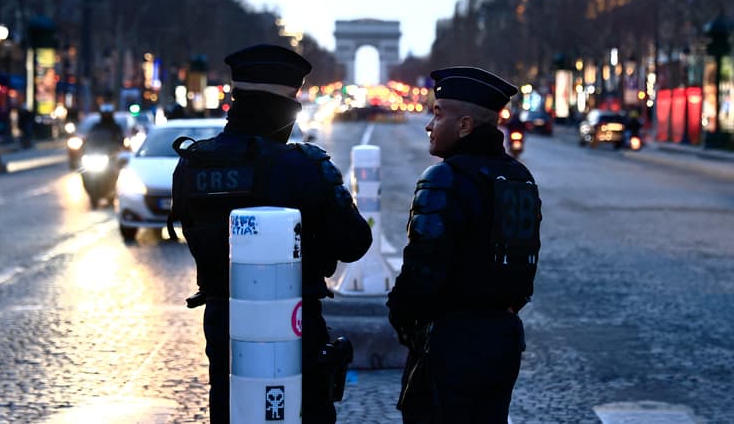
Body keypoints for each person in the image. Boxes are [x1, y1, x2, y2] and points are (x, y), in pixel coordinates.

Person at [172, 44, 372, 423]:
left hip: (222, 324)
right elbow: (355, 242)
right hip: (293, 324)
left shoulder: (192, 164)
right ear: (285, 108)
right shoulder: (301, 167)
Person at [386, 66, 542, 423]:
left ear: (465, 126)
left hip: (450, 340)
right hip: (504, 339)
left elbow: (421, 271)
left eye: (438, 114)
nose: (428, 124)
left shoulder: (445, 178)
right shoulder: (520, 177)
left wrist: (401, 317)